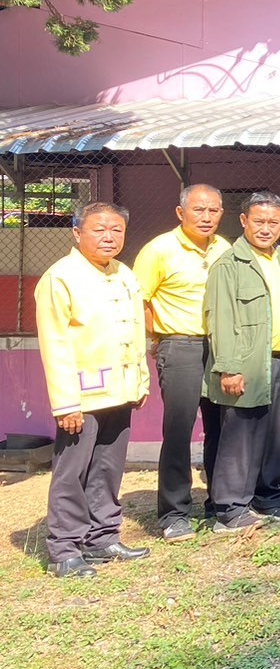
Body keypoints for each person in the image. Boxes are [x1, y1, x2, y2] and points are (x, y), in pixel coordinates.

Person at [35, 202, 150, 578]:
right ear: (77, 233)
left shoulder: (124, 274)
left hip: (120, 389)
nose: (109, 237)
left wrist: (140, 380)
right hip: (81, 396)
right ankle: (65, 549)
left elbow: (135, 331)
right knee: (72, 471)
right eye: (99, 229)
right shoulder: (60, 278)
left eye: (117, 230)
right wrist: (66, 403)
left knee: (108, 467)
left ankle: (102, 537)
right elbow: (55, 344)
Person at [203, 192, 280, 531]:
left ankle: (269, 498)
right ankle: (231, 508)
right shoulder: (229, 265)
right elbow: (221, 319)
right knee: (241, 437)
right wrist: (229, 367)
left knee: (279, 434)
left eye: (273, 222)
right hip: (247, 363)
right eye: (258, 221)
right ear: (244, 221)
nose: (265, 228)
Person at [132, 184, 230, 542]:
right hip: (180, 345)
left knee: (222, 425)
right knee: (179, 429)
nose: (206, 217)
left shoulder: (224, 248)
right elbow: (138, 299)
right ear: (180, 212)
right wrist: (157, 336)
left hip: (220, 347)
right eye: (198, 210)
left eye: (213, 211)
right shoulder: (159, 249)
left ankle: (222, 502)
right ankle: (175, 513)